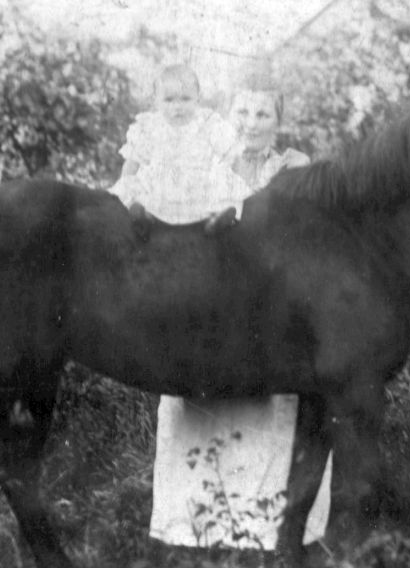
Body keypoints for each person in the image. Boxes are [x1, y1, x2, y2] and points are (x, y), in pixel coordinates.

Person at [147, 72, 332, 550]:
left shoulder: (292, 169)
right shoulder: (204, 160)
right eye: (243, 113)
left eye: (262, 114)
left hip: (270, 304)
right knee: (197, 395)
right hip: (207, 302)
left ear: (278, 122)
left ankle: (266, 532)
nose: (251, 124)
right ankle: (191, 526)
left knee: (270, 398)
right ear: (229, 117)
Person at [110, 63, 243, 224]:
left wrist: (237, 179)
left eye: (185, 99)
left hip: (198, 190)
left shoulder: (208, 123)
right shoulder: (150, 126)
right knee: (135, 196)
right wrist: (126, 186)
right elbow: (132, 163)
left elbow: (231, 154)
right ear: (156, 101)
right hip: (159, 189)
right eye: (169, 100)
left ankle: (214, 222)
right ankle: (143, 218)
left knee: (225, 191)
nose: (177, 107)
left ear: (198, 98)